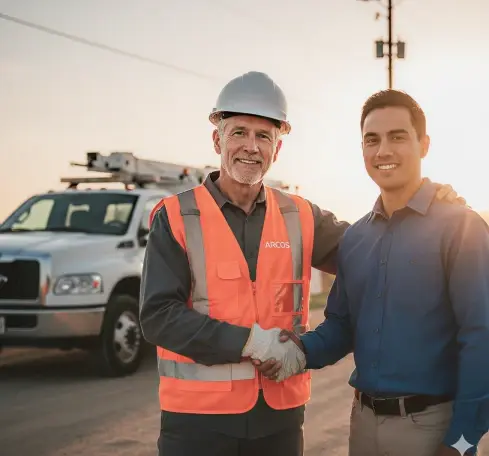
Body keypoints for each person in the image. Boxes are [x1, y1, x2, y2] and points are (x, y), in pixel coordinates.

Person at [139, 72, 463, 456]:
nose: (251, 147)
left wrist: (435, 211)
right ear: (217, 140)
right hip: (197, 424)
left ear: (277, 148)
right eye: (239, 132)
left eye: (264, 136)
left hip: (279, 420)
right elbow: (159, 315)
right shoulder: (176, 216)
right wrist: (247, 341)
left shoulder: (301, 216)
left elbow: (379, 253)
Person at [266, 89, 489, 456]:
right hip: (363, 426)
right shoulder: (355, 237)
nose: (383, 150)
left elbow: (480, 339)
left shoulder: (460, 228)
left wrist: (463, 440)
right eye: (372, 140)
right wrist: (297, 349)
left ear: (424, 145)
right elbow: (341, 325)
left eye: (397, 137)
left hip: (432, 429)